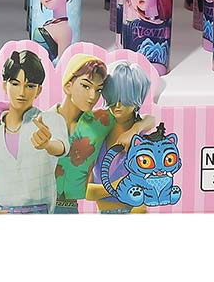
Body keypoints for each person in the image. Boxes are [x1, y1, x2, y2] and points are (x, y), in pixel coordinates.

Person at [0, 50, 68, 213]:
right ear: (5, 85)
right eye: (15, 84)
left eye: (30, 86)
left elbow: (62, 148)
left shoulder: (50, 119)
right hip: (4, 211)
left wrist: (47, 145)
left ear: (38, 90)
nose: (22, 92)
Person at [87, 61, 156, 213]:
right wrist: (116, 186)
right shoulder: (98, 132)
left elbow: (143, 195)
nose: (117, 105)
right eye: (113, 97)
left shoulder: (141, 139)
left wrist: (135, 130)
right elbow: (85, 191)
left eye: (125, 99)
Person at [51, 55, 112, 213]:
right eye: (86, 86)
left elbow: (139, 117)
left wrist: (136, 128)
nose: (93, 96)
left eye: (98, 90)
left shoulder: (100, 123)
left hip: (71, 208)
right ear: (68, 86)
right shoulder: (44, 120)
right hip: (38, 207)